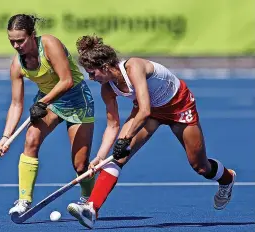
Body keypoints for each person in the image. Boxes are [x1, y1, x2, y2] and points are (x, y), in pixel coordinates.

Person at [66, 35, 236, 229]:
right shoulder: (107, 89)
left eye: (92, 73)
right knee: (117, 157)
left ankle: (227, 178)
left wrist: (126, 138)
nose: (91, 78)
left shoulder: (134, 67)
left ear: (105, 67)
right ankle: (91, 209)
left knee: (200, 167)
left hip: (178, 106)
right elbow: (113, 125)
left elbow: (144, 109)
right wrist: (99, 156)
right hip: (150, 113)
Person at [0, 14, 95, 216]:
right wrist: (6, 137)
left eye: (20, 40)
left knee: (80, 164)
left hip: (78, 101)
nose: (16, 46)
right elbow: (16, 104)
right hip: (50, 102)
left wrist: (42, 102)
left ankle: (88, 201)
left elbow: (66, 80)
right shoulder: (17, 65)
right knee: (31, 139)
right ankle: (24, 200)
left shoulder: (49, 44)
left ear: (33, 35)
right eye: (12, 41)